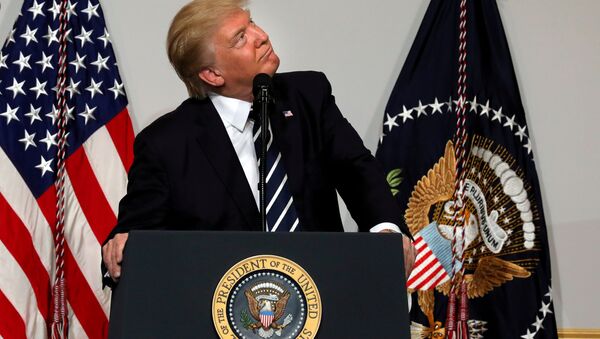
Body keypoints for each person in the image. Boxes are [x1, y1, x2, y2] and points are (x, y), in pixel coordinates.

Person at [102, 0, 415, 286]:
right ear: (211, 73)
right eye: (240, 37)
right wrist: (124, 245)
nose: (261, 35)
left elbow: (357, 171)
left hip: (324, 293)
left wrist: (385, 230)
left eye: (251, 23)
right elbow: (135, 238)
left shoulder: (308, 96)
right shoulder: (166, 144)